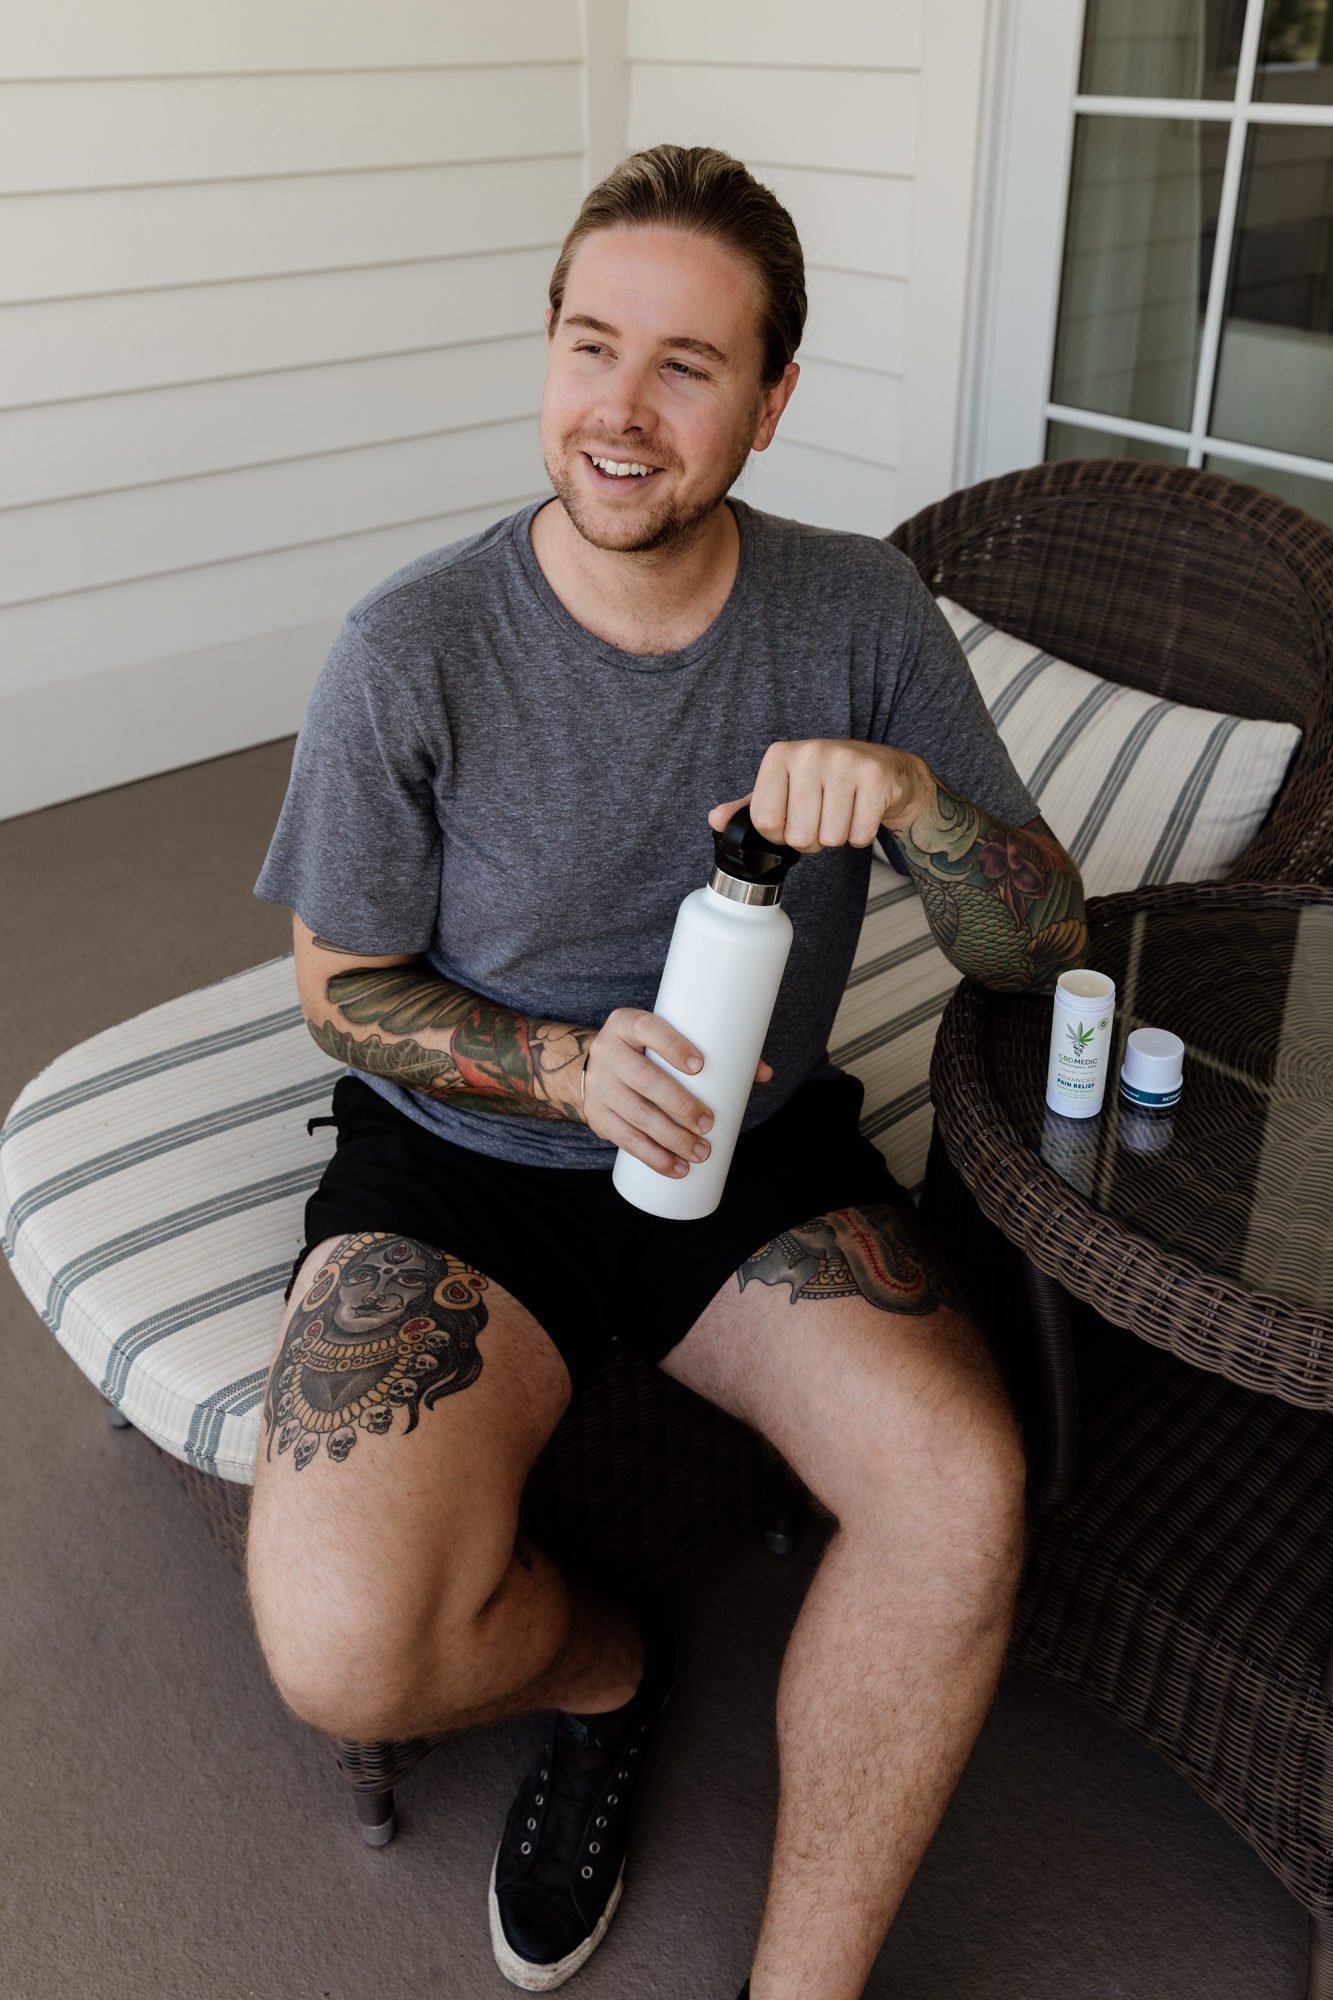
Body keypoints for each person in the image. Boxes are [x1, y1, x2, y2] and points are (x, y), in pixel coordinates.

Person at [246, 143, 1088, 2000]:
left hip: (760, 1148)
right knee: (340, 1648)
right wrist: (550, 1065)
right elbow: (337, 988)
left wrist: (924, 804)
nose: (617, 413)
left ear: (772, 401)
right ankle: (605, 1674)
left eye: (687, 366)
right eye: (586, 346)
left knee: (960, 1494)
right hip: (463, 1156)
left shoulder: (859, 614)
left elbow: (1043, 950)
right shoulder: (413, 647)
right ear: (544, 352)